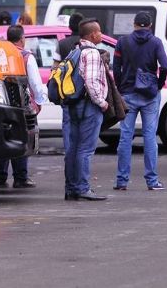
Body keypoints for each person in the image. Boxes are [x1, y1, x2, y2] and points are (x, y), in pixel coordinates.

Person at [112, 12, 167, 191]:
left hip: (128, 93)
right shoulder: (156, 42)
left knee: (125, 137)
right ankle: (152, 181)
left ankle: (122, 181)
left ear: (134, 24)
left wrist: (121, 87)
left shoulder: (123, 42)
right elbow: (165, 65)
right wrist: (158, 85)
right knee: (150, 136)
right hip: (150, 95)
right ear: (150, 25)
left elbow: (116, 67)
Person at [0, 25, 47, 189]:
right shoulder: (26, 57)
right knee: (23, 139)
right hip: (22, 105)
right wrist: (38, 102)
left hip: (1, 102)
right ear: (22, 38)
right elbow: (36, 84)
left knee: (3, 139)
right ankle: (20, 177)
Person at [65, 18, 109, 201]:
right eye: (99, 32)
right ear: (93, 34)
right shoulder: (91, 53)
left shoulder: (74, 51)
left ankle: (71, 188)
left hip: (74, 104)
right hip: (89, 106)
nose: (101, 35)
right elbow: (91, 81)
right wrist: (101, 102)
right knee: (86, 149)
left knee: (74, 148)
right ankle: (83, 187)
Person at [53, 12, 84, 197]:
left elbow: (55, 68)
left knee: (68, 127)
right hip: (83, 95)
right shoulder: (85, 44)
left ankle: (69, 153)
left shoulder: (62, 44)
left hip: (67, 93)